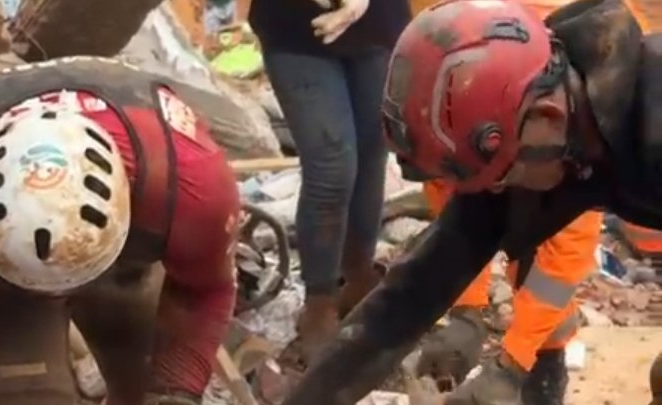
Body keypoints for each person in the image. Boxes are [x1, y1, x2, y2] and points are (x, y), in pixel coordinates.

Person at [280, 0, 662, 404]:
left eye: (499, 177)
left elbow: (561, 261)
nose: (495, 194)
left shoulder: (640, 124)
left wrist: (514, 363)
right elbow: (411, 294)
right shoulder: (540, 128)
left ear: (548, 118)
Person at [0, 56, 240, 405]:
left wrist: (176, 388)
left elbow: (205, 292)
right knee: (20, 392)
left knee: (141, 370)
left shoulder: (191, 182)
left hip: (135, 229)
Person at [247, 0, 411, 364]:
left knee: (371, 156)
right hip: (295, 29)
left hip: (379, 24)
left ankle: (358, 279)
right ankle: (319, 300)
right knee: (331, 166)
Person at [420, 179, 602, 404]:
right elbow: (458, 227)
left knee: (541, 284)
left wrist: (511, 366)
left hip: (580, 189)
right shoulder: (442, 164)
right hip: (512, 182)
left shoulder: (577, 174)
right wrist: (466, 312)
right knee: (525, 259)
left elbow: (559, 273)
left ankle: (545, 368)